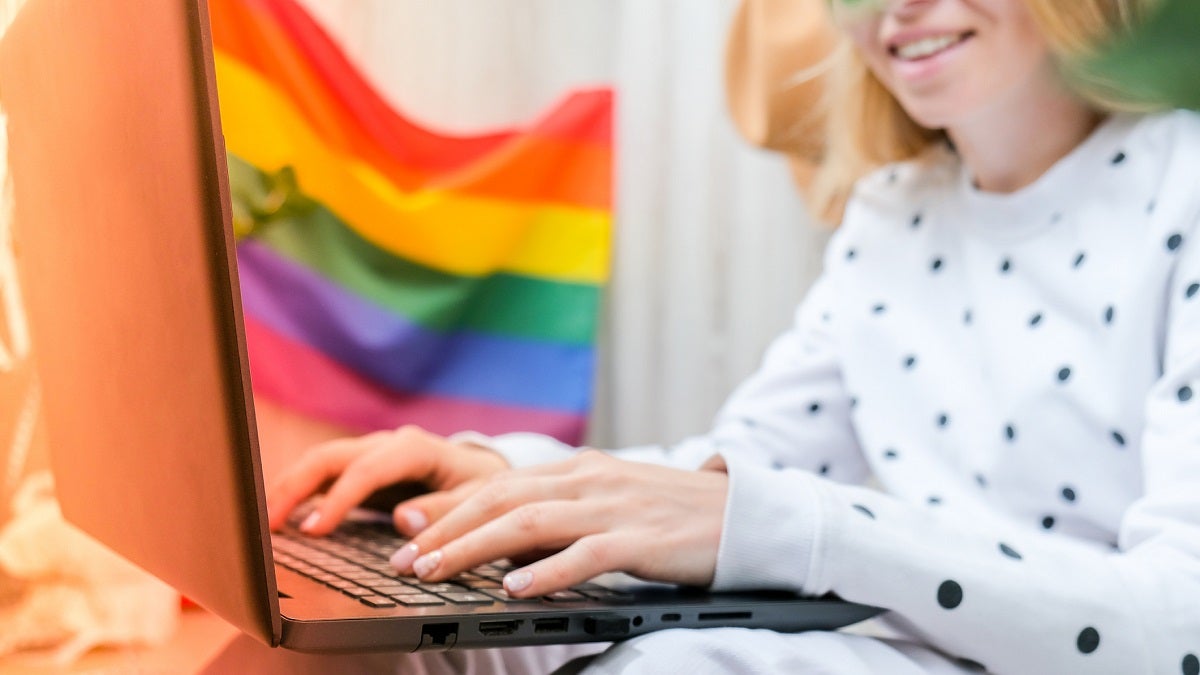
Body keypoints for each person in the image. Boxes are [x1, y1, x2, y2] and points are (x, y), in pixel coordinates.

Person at [265, 0, 1200, 672]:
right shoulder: (893, 217)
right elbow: (740, 467)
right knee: (431, 634)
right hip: (909, 639)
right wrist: (511, 482)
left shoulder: (1182, 189)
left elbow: (1179, 627)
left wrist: (790, 527)